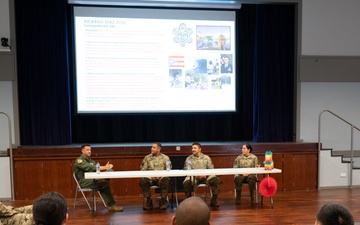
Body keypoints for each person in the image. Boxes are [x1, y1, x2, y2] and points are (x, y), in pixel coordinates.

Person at [74, 144, 124, 212]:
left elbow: (97, 169)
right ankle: (111, 205)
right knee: (103, 182)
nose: (89, 151)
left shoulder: (91, 160)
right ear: (82, 151)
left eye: (90, 150)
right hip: (85, 182)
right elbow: (91, 167)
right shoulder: (79, 161)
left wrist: (107, 168)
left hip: (94, 179)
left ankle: (112, 205)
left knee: (107, 175)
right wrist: (104, 167)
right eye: (87, 150)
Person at [183, 143, 221, 207]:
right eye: (192, 148)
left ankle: (214, 200)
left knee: (216, 180)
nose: (193, 150)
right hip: (194, 177)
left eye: (195, 148)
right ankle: (189, 201)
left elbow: (211, 169)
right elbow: (186, 169)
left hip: (206, 177)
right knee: (186, 183)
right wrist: (196, 175)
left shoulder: (206, 158)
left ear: (200, 149)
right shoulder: (189, 158)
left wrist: (206, 174)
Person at [139, 142, 171, 210]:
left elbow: (169, 170)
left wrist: (161, 175)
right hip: (150, 178)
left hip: (161, 178)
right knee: (143, 181)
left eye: (154, 147)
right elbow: (143, 170)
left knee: (166, 180)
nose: (151, 149)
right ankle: (149, 201)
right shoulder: (147, 158)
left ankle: (162, 202)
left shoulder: (165, 158)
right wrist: (151, 176)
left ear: (159, 149)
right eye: (151, 147)